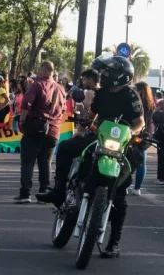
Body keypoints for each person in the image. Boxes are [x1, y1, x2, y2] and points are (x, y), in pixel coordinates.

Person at [37, 55, 145, 259]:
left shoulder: (131, 95)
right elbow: (92, 116)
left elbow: (140, 122)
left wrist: (133, 131)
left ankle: (114, 243)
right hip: (98, 136)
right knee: (66, 147)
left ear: (119, 76)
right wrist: (82, 125)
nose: (102, 76)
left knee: (121, 196)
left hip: (122, 142)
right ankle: (59, 190)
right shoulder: (101, 93)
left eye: (106, 73)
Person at [15, 61, 66, 204]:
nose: (37, 73)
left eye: (39, 71)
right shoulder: (60, 88)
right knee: (46, 162)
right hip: (53, 130)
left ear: (44, 72)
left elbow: (26, 104)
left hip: (35, 128)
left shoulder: (37, 85)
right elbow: (63, 110)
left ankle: (25, 193)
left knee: (28, 161)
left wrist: (22, 121)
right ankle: (44, 192)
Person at [131, 81, 155, 195]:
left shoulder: (136, 103)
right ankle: (137, 188)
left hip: (135, 132)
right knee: (142, 162)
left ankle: (125, 185)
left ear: (140, 90)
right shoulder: (151, 103)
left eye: (136, 89)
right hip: (147, 133)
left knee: (128, 159)